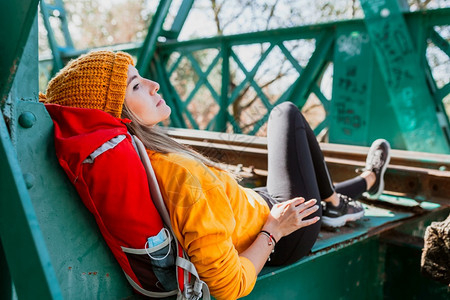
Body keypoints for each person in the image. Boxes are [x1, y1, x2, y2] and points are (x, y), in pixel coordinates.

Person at [40, 50, 391, 300]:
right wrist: (275, 230)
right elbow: (228, 286)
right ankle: (350, 193)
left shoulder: (150, 156)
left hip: (254, 207)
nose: (153, 85)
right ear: (118, 115)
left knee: (301, 170)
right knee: (286, 115)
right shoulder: (182, 177)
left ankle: (338, 198)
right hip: (285, 229)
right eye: (135, 87)